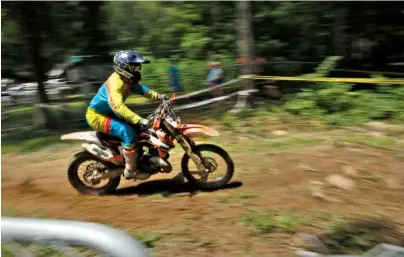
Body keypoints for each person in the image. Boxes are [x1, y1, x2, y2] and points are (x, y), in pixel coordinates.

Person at [85, 50, 168, 179]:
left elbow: (141, 90)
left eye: (137, 67)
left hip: (110, 113)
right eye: (134, 67)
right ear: (124, 67)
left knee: (143, 130)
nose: (137, 69)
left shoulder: (127, 79)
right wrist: (138, 119)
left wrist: (159, 96)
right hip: (97, 116)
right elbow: (118, 107)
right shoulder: (116, 84)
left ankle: (142, 157)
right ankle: (131, 170)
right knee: (127, 132)